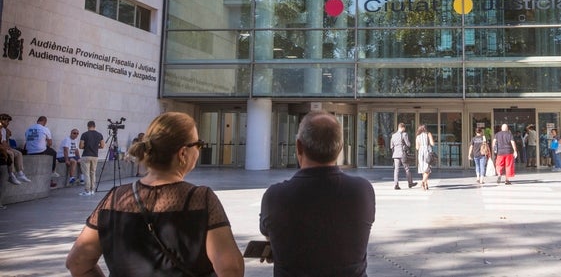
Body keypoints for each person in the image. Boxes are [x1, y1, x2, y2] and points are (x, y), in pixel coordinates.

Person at [66, 112, 244, 277]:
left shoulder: (115, 198)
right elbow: (231, 269)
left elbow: (77, 262)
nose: (199, 149)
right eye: (198, 144)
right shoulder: (200, 199)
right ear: (183, 153)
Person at [260, 111, 375, 277]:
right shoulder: (363, 191)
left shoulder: (275, 196)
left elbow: (268, 232)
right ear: (340, 148)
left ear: (299, 146)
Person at [24, 115, 58, 187]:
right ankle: (52, 172)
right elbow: (50, 143)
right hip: (40, 151)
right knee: (54, 153)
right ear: (45, 122)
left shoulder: (28, 128)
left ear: (37, 121)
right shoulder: (45, 129)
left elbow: (28, 139)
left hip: (29, 151)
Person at [0, 113, 31, 185]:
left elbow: (4, 142)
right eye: (7, 121)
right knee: (11, 154)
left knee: (18, 153)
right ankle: (11, 174)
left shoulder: (4, 130)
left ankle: (20, 173)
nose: (8, 124)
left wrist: (8, 143)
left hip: (3, 147)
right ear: (2, 121)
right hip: (1, 149)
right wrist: (7, 149)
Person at [78, 121, 105, 196]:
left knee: (86, 174)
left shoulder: (84, 134)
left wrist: (86, 146)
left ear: (88, 126)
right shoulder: (99, 135)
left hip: (86, 155)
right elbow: (102, 146)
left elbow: (80, 146)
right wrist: (96, 147)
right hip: (95, 156)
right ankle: (92, 190)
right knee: (93, 173)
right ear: (94, 126)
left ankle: (87, 190)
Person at [390, 123, 417, 190]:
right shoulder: (404, 134)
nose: (405, 129)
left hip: (395, 154)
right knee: (407, 169)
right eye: (404, 128)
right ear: (402, 127)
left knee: (396, 170)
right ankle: (410, 183)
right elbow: (408, 144)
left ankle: (396, 184)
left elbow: (391, 146)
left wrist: (394, 152)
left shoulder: (393, 135)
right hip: (403, 154)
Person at [415, 124, 435, 190]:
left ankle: (426, 184)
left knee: (423, 168)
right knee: (427, 169)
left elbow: (417, 148)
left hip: (420, 153)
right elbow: (432, 143)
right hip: (427, 152)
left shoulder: (417, 136)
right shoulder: (428, 134)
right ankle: (423, 182)